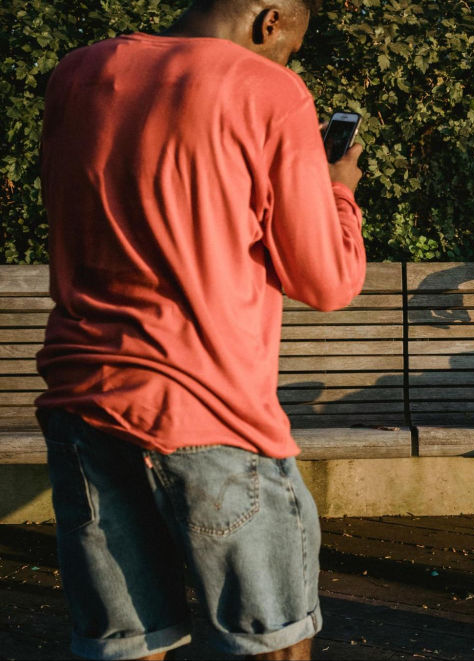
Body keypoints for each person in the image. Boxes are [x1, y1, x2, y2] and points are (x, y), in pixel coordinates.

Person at [36, 1, 365, 659]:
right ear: (270, 20)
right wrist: (339, 190)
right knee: (270, 641)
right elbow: (327, 281)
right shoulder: (270, 91)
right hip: (212, 415)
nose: (286, 63)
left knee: (125, 645)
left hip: (84, 401)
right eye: (290, 48)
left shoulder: (76, 74)